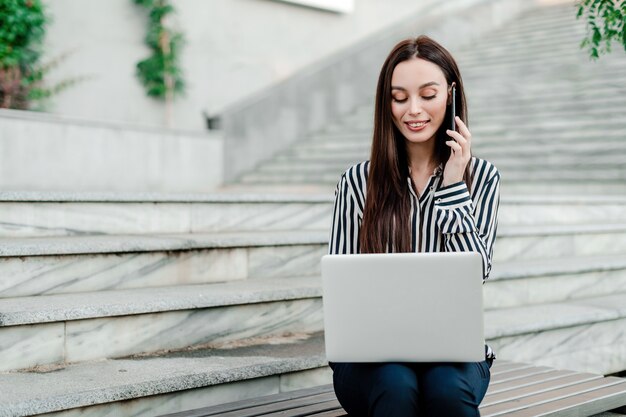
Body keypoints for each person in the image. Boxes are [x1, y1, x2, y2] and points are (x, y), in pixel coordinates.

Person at [327, 35, 501, 417]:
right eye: (399, 97)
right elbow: (343, 290)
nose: (413, 110)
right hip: (371, 358)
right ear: (385, 103)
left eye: (428, 94)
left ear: (451, 96)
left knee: (447, 390)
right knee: (396, 385)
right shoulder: (358, 182)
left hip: (455, 355)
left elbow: (476, 273)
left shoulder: (482, 177)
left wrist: (455, 186)